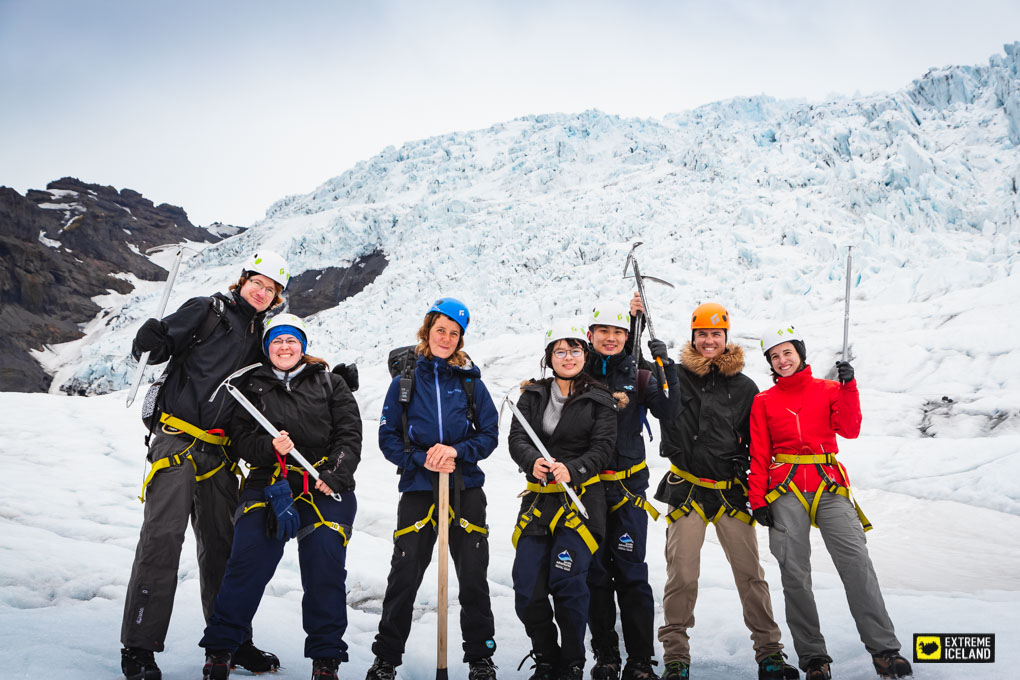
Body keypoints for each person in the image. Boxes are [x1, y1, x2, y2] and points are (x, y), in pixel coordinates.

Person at [120, 251, 289, 680]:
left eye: (271, 289)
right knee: (162, 542)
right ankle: (138, 647)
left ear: (275, 299)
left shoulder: (262, 338)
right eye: (258, 282)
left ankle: (231, 642)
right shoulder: (207, 310)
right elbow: (159, 349)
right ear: (243, 278)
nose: (262, 291)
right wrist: (150, 338)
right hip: (177, 441)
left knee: (225, 552)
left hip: (219, 456)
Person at [198, 313, 362, 680]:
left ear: (302, 346)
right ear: (267, 347)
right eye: (277, 341)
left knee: (325, 567)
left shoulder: (330, 383)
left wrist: (335, 474)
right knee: (247, 562)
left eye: (291, 341)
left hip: (322, 486)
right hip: (268, 484)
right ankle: (221, 648)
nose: (284, 347)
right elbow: (238, 438)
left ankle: (326, 658)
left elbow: (349, 435)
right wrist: (269, 447)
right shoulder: (251, 387)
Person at [748, 325, 913, 680]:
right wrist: (757, 498)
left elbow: (850, 429)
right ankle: (813, 659)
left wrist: (850, 388)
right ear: (770, 364)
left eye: (787, 352)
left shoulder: (830, 390)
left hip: (828, 484)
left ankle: (885, 650)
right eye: (774, 357)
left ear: (800, 354)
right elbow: (759, 454)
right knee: (794, 572)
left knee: (856, 562)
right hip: (785, 489)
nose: (782, 360)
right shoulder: (763, 402)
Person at [648, 301, 798, 680]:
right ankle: (676, 658)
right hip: (688, 491)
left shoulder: (745, 387)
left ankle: (769, 653)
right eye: (702, 334)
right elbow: (630, 368)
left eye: (716, 334)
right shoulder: (673, 378)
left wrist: (762, 494)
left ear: (726, 338)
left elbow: (760, 444)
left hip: (731, 492)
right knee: (681, 575)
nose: (709, 340)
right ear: (693, 337)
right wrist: (636, 323)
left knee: (750, 575)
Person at [367, 298, 500, 680]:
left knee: (473, 576)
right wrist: (421, 459)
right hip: (418, 489)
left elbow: (489, 436)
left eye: (454, 333)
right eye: (440, 329)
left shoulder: (472, 384)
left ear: (461, 339)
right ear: (428, 331)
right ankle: (387, 658)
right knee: (404, 575)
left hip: (465, 488)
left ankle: (480, 657)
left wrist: (457, 451)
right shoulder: (404, 383)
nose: (446, 337)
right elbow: (388, 437)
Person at [509, 320, 620, 680]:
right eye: (560, 350)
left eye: (574, 350)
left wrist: (574, 469)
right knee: (527, 588)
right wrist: (532, 461)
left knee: (568, 582)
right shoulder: (533, 395)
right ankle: (546, 656)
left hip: (581, 502)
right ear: (549, 356)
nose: (568, 357)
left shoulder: (600, 398)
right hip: (539, 503)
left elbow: (603, 447)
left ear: (584, 355)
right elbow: (517, 440)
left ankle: (572, 661)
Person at [584, 299, 681, 680]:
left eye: (619, 332)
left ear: (627, 337)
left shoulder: (640, 373)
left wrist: (664, 365)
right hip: (588, 490)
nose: (611, 338)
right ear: (590, 335)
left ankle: (640, 661)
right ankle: (606, 655)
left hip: (627, 489)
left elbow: (670, 411)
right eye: (604, 332)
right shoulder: (577, 371)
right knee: (594, 575)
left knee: (630, 574)